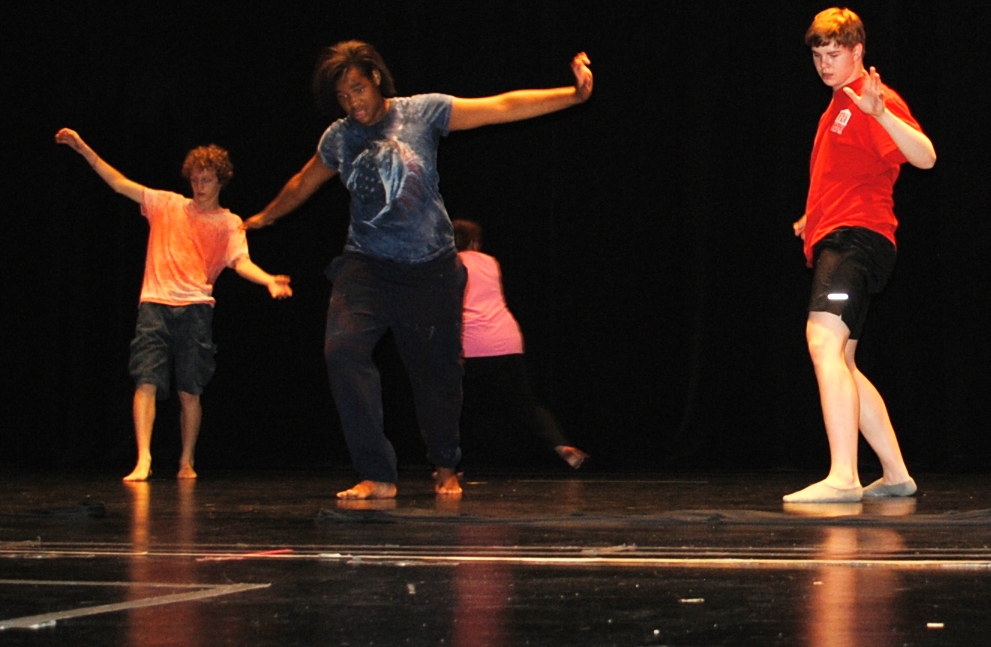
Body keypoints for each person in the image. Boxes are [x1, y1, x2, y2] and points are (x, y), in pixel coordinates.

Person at [244, 42, 592, 500]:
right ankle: (377, 474)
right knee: (343, 352)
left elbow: (501, 106)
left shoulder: (423, 113)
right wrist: (264, 217)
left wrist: (571, 95)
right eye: (343, 97)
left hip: (431, 269)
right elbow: (303, 181)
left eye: (358, 90)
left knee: (437, 377)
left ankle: (445, 465)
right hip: (366, 265)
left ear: (375, 78)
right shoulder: (339, 137)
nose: (354, 104)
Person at [55, 129, 293, 482]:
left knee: (189, 390)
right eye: (195, 179)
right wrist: (83, 148)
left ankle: (186, 459)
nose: (199, 186)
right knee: (145, 379)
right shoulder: (166, 204)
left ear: (220, 181)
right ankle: (144, 459)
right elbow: (119, 183)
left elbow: (240, 262)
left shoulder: (229, 223)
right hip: (155, 304)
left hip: (196, 308)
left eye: (207, 180)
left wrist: (269, 279)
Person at [784, 8, 935, 504]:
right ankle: (895, 474)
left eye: (835, 54)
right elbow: (847, 176)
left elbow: (925, 155)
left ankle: (844, 476)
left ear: (857, 52)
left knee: (821, 341)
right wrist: (812, 216)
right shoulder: (835, 108)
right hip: (842, 234)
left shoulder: (871, 99)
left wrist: (881, 113)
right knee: (844, 361)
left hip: (858, 239)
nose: (825, 64)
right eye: (818, 55)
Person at [453, 218, 588, 470]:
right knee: (526, 404)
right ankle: (560, 444)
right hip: (506, 338)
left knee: (454, 406)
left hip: (471, 342)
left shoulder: (449, 265)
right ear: (474, 242)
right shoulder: (491, 262)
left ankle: (452, 466)